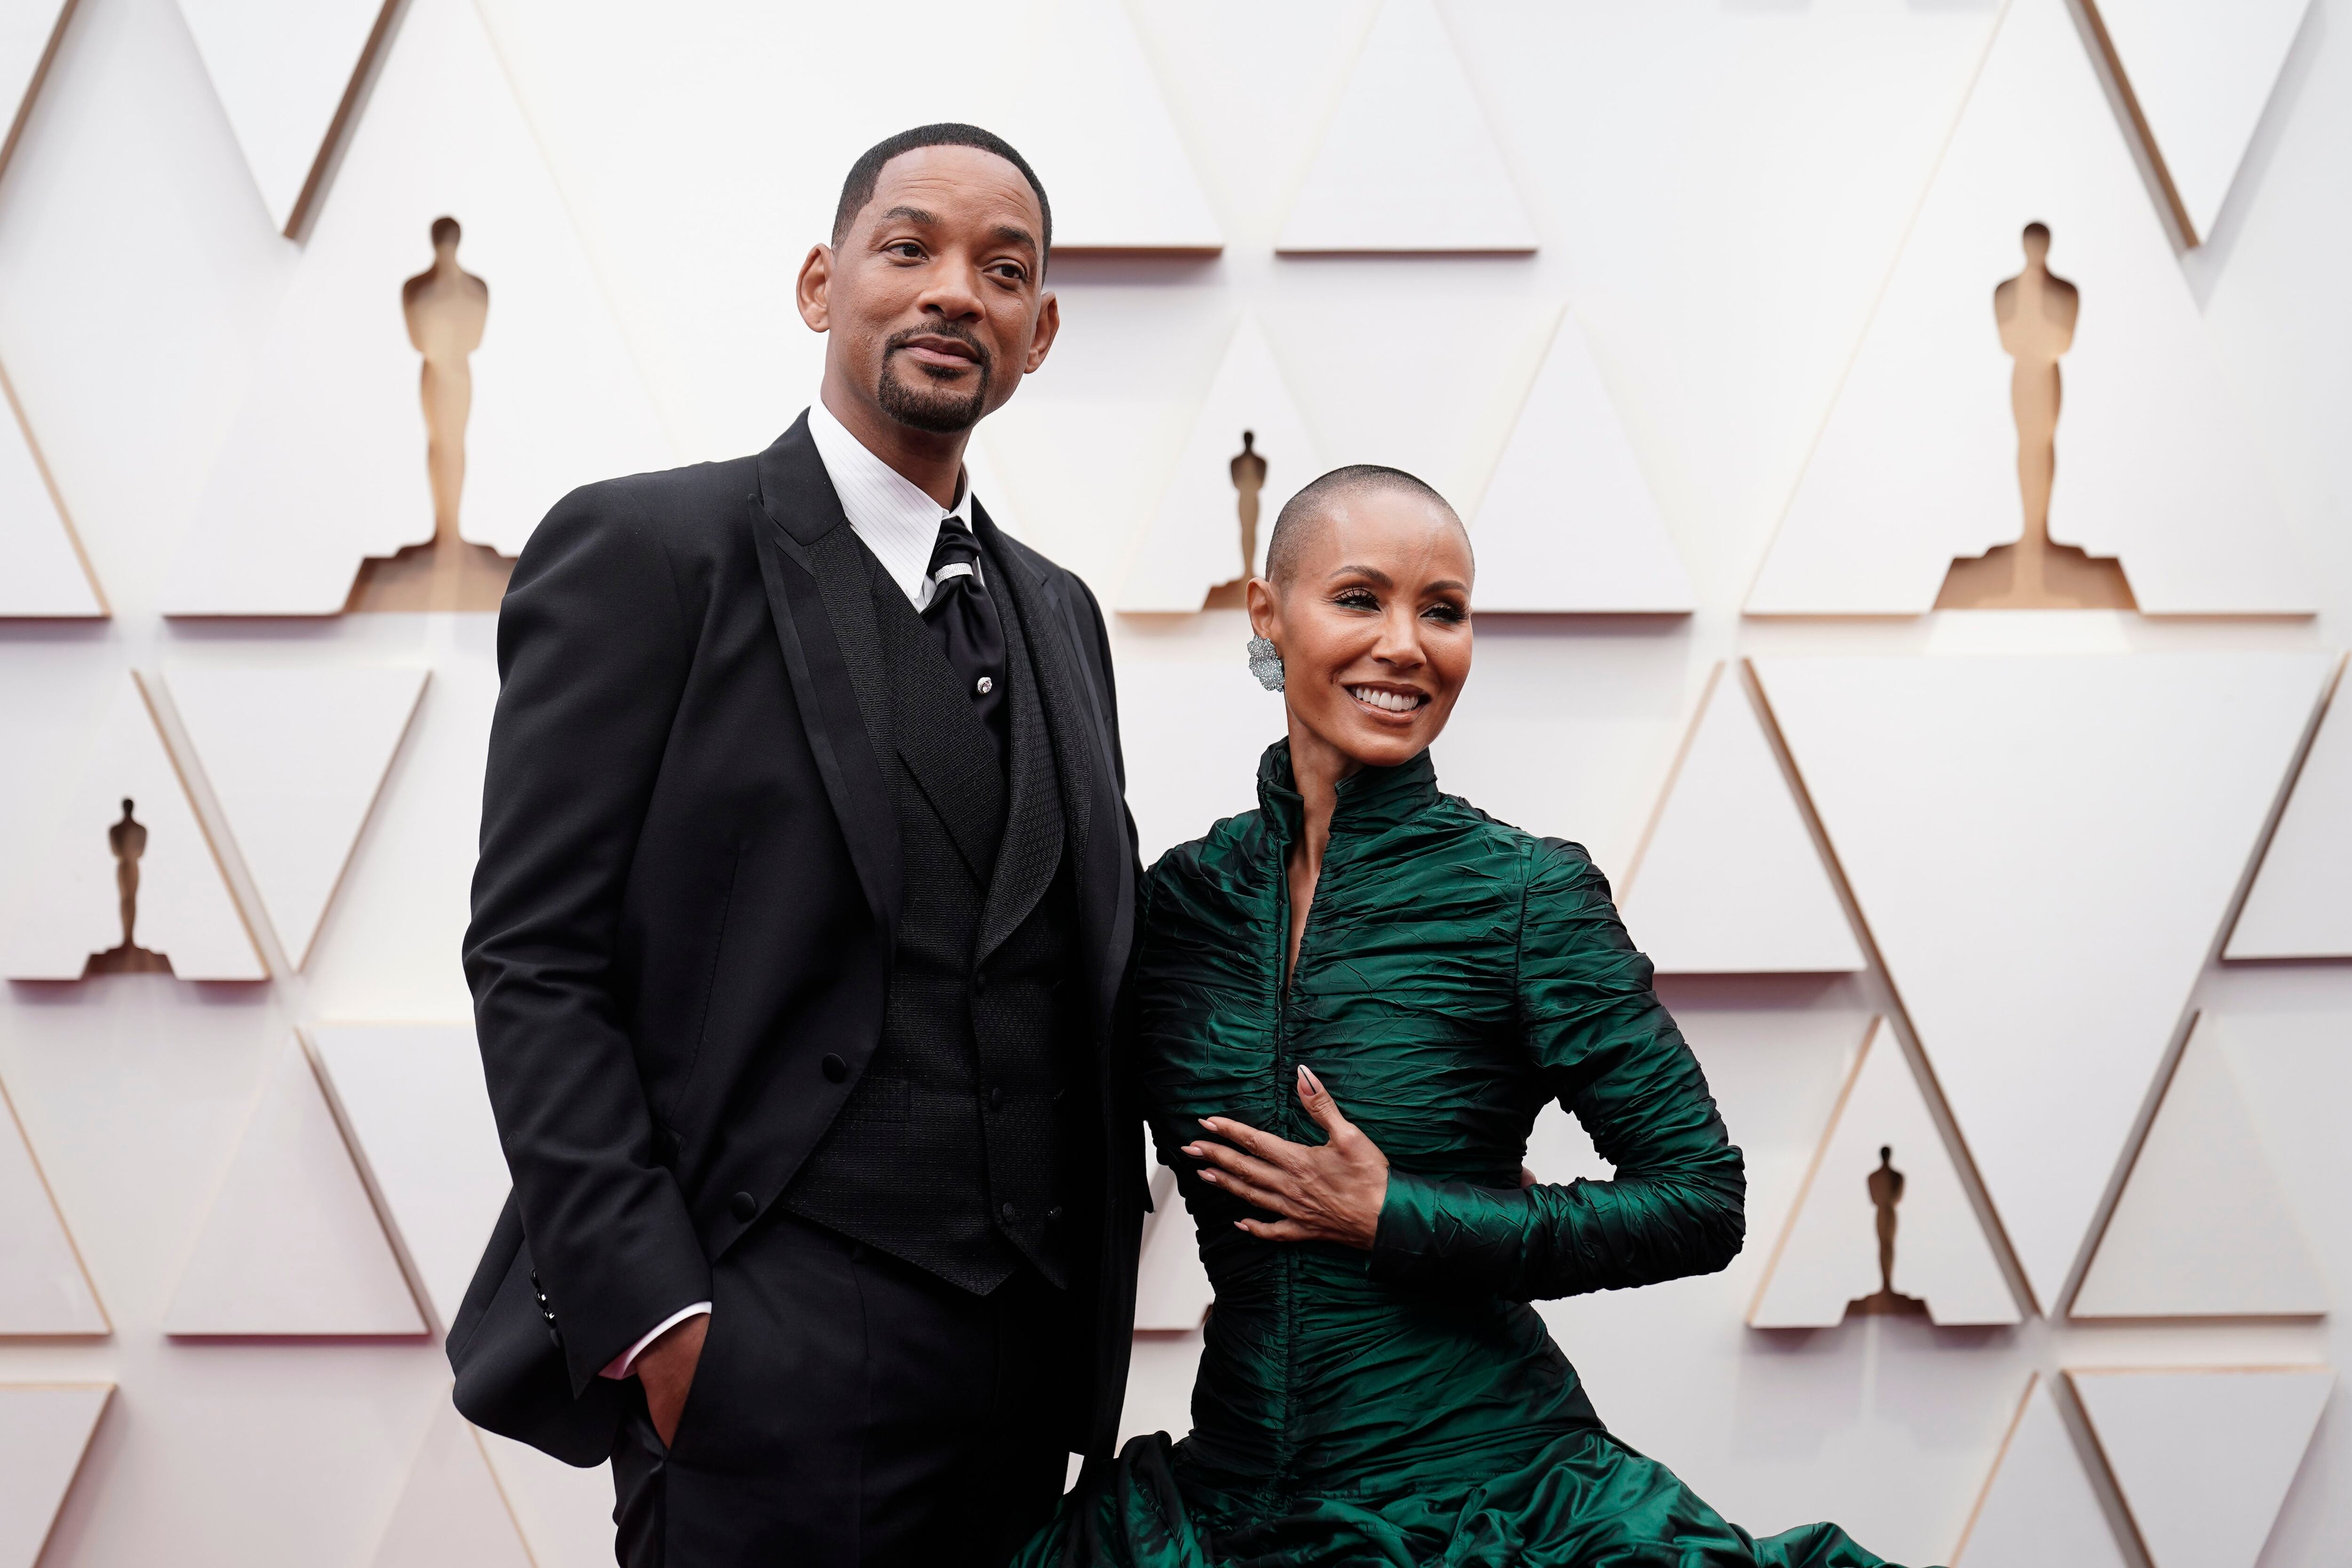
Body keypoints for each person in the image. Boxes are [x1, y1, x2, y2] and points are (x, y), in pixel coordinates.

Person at [450, 124, 1144, 1567]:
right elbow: (532, 960)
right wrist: (659, 1316)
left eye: (1002, 269)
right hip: (761, 1356)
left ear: (1042, 331)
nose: (957, 291)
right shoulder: (650, 552)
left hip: (1023, 1385)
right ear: (823, 284)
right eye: (912, 249)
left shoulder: (1065, 614)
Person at [1018, 467, 1907, 1567]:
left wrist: (1399, 1212)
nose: (1407, 644)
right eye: (1359, 598)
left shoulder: (1526, 893)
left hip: (1488, 1501)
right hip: (1227, 1500)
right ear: (1267, 615)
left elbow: (1700, 1200)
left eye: (1442, 609)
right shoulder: (1175, 903)